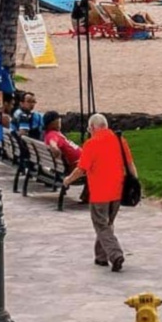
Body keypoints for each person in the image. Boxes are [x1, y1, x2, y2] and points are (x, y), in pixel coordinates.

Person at [63, 113, 138, 273]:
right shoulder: (120, 140)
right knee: (107, 224)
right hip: (117, 191)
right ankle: (100, 257)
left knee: (101, 225)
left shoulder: (91, 144)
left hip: (99, 193)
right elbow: (130, 164)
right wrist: (136, 184)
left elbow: (81, 169)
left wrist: (68, 180)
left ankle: (115, 254)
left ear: (92, 128)